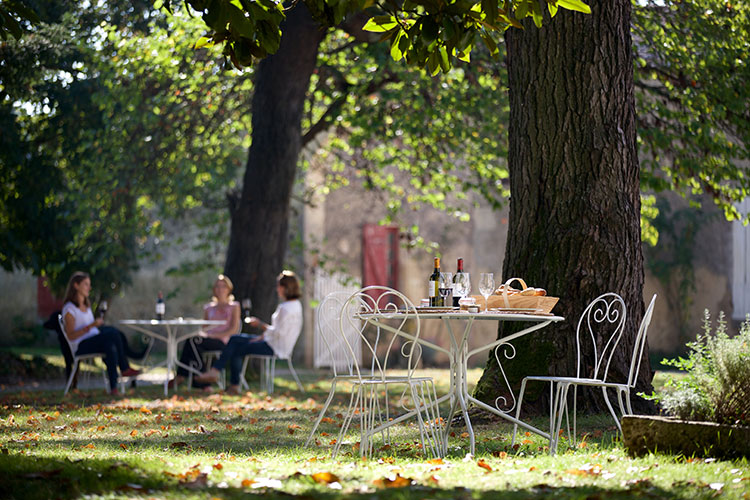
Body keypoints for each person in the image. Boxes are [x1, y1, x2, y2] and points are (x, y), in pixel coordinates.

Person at [195, 270, 303, 394]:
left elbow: (280, 333)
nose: (277, 289)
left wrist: (260, 325)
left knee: (237, 348)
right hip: (271, 341)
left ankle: (229, 382)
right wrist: (262, 337)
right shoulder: (294, 305)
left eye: (279, 286)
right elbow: (278, 332)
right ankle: (218, 374)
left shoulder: (286, 308)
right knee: (235, 338)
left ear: (285, 288)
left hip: (275, 347)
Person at [61, 272, 141, 395]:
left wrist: (95, 325)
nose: (89, 287)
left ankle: (113, 389)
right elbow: (71, 335)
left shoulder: (86, 305)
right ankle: (125, 368)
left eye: (89, 284)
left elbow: (92, 328)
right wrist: (92, 325)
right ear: (76, 286)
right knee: (113, 333)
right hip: (81, 345)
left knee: (112, 344)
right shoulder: (69, 309)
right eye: (86, 284)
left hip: (93, 337)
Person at [170, 274, 241, 389]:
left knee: (193, 343)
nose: (220, 289)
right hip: (208, 339)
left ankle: (183, 377)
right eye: (217, 286)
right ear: (214, 289)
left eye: (223, 286)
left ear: (228, 289)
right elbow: (204, 327)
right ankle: (200, 381)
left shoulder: (234, 306)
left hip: (224, 341)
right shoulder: (209, 307)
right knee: (193, 342)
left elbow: (233, 329)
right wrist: (207, 335)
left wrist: (214, 335)